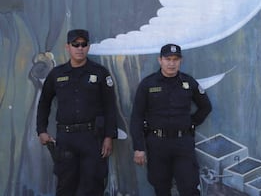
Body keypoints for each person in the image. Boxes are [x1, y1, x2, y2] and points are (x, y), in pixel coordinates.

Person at [36, 29, 118, 196]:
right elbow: (44, 103)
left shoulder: (100, 73)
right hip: (66, 139)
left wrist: (109, 136)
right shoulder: (57, 74)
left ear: (88, 47)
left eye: (83, 44)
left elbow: (110, 106)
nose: (80, 48)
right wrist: (42, 130)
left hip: (92, 138)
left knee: (93, 185)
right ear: (68, 47)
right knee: (66, 185)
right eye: (75, 44)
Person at [130, 43, 212, 196]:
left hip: (183, 144)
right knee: (161, 188)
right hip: (157, 144)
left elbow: (206, 107)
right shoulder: (148, 84)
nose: (171, 63)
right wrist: (139, 147)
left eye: (175, 59)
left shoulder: (188, 82)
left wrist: (191, 123)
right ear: (160, 60)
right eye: (168, 59)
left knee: (189, 189)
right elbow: (137, 117)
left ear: (180, 61)